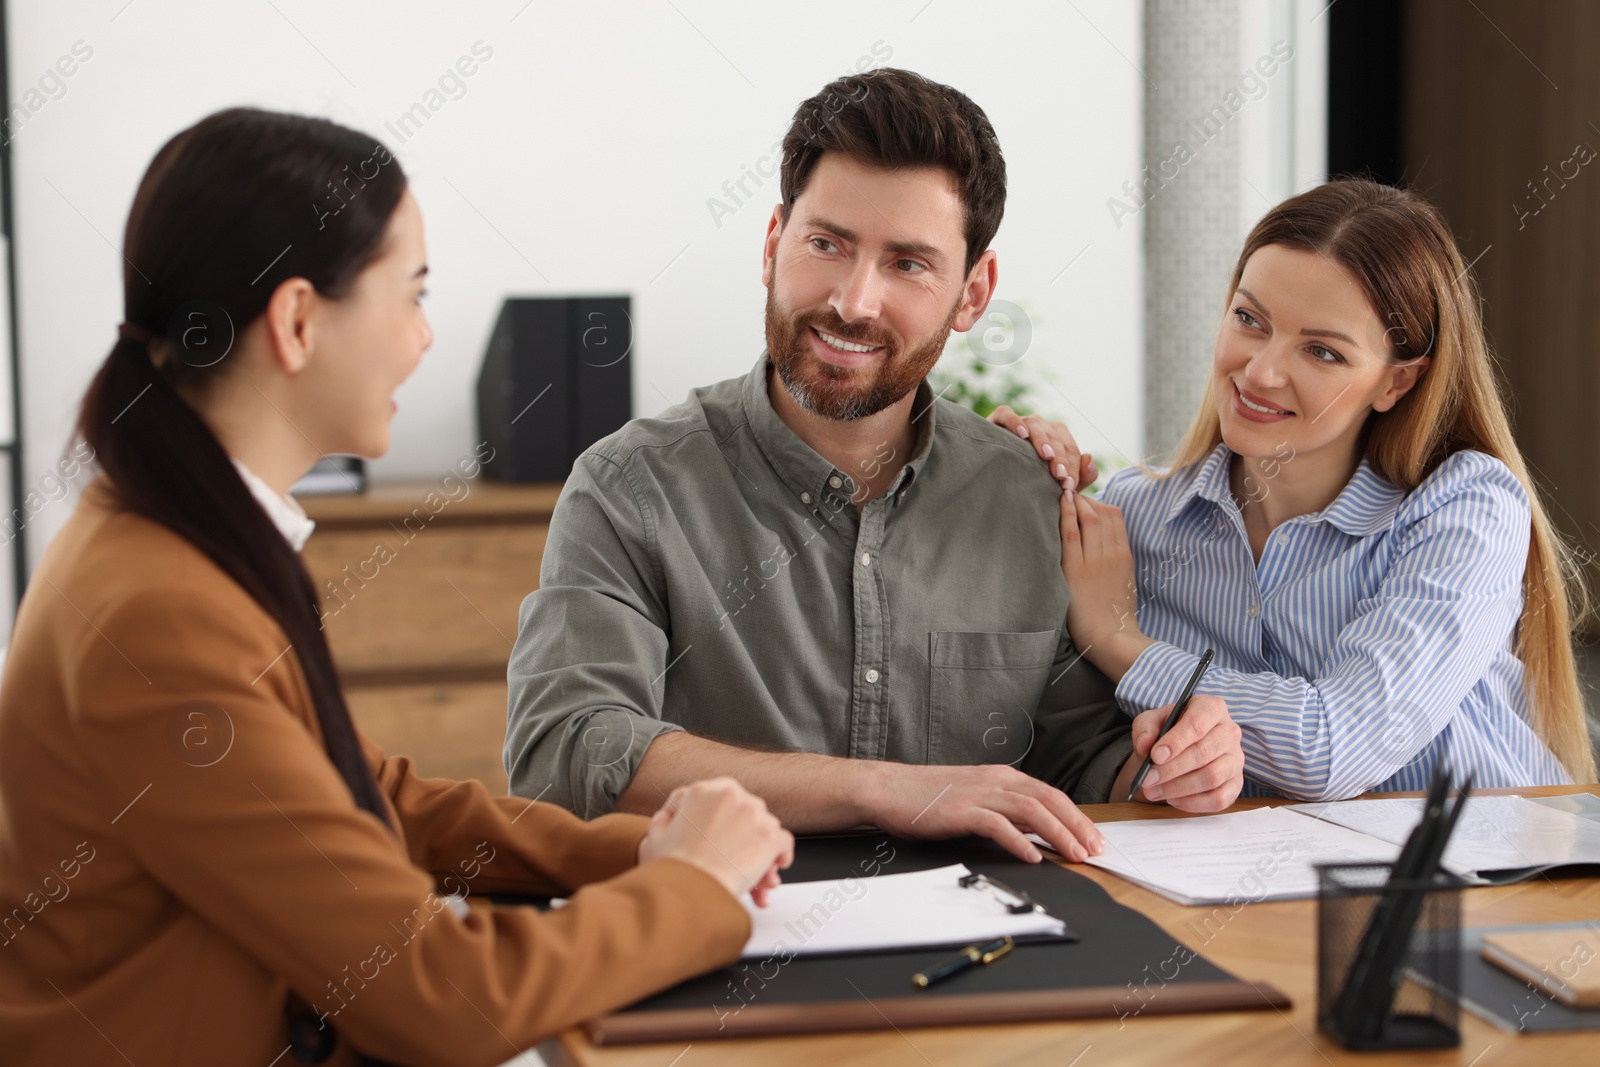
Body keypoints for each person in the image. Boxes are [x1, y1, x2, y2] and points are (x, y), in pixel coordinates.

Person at [0, 108, 793, 1066]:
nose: (422, 341)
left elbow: (373, 795)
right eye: (411, 297)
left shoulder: (184, 531)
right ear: (297, 320)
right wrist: (692, 890)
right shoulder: (163, 610)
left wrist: (646, 849)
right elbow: (440, 997)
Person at [504, 68, 1247, 863]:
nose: (854, 301)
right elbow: (565, 753)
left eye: (908, 264)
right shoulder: (630, 487)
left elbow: (1078, 762)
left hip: (985, 951)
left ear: (972, 294)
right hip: (720, 938)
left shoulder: (1026, 495)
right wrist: (878, 786)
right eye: (827, 244)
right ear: (771, 245)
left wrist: (1168, 767)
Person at [1055, 178, 1597, 801]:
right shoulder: (1129, 517)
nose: (1260, 372)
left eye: (1322, 351)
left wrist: (1120, 640)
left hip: (1501, 884)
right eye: (1249, 319)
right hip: (1258, 886)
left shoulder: (1463, 506)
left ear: (1396, 382)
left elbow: (1334, 749)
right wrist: (1018, 463)